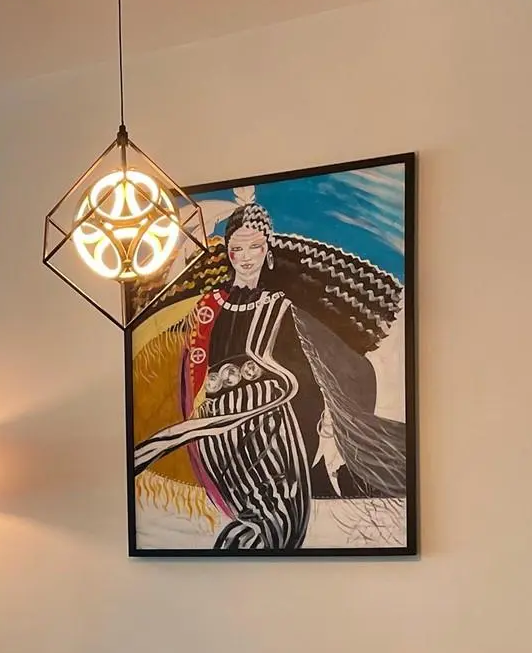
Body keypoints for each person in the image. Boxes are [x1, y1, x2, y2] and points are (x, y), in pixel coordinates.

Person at [131, 191, 405, 550]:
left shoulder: (280, 308)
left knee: (275, 510)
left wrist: (327, 411)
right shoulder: (207, 307)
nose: (245, 257)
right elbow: (185, 367)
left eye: (254, 247)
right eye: (237, 249)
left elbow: (323, 364)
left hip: (271, 425)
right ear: (228, 252)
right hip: (217, 429)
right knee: (243, 507)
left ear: (268, 249)